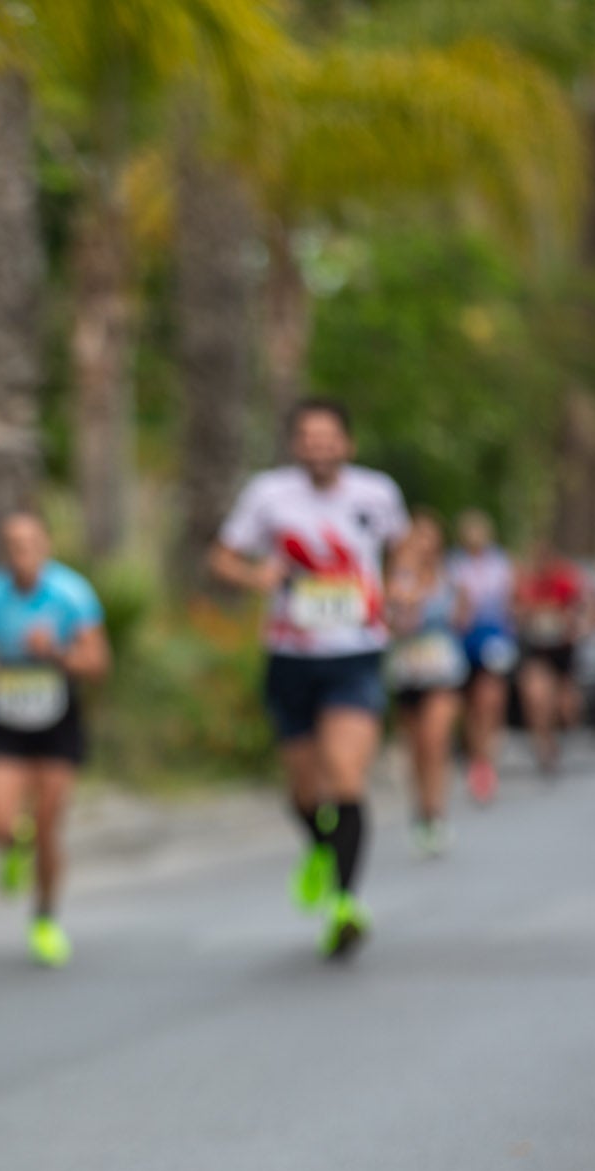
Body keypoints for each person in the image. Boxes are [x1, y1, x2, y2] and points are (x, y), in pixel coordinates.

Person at [210, 396, 409, 959]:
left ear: (347, 444)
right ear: (295, 444)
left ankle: (345, 903)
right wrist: (257, 576)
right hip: (291, 656)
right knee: (303, 791)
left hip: (356, 651)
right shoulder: (268, 495)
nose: (319, 447)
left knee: (345, 778)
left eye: (329, 438)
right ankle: (322, 849)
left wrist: (406, 586)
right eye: (308, 438)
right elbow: (221, 558)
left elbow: (408, 553)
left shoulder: (377, 494)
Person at [0, 513, 111, 968]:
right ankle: (13, 844)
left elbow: (98, 663)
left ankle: (45, 919)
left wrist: (57, 653)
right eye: (11, 542)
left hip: (57, 718)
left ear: (45, 545)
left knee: (49, 827)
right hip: (6, 718)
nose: (20, 551)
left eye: (28, 542)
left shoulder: (71, 594)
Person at [385, 513, 467, 855]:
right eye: (416, 538)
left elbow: (463, 620)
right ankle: (421, 810)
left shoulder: (450, 579)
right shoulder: (395, 580)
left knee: (435, 741)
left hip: (443, 673)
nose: (424, 546)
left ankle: (437, 813)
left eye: (429, 538)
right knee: (416, 748)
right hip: (406, 673)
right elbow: (390, 623)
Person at [448, 511, 518, 804]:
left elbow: (510, 603)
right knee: (469, 706)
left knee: (490, 700)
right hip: (462, 640)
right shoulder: (452, 564)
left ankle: (486, 762)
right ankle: (475, 758)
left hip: (493, 639)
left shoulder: (500, 564)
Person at [513, 538, 587, 775]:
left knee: (566, 708)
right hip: (537, 651)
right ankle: (543, 746)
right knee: (536, 695)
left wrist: (567, 621)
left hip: (563, 653)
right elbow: (515, 611)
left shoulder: (566, 579)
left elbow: (580, 611)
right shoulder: (525, 582)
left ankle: (557, 735)